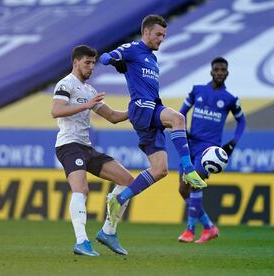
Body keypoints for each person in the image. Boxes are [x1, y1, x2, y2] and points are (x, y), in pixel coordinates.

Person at [99, 15, 206, 226]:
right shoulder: (132, 48)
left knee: (160, 170)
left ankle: (118, 199)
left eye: (164, 36)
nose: (161, 39)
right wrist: (115, 61)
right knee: (177, 118)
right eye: (158, 34)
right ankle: (189, 170)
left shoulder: (152, 58)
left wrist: (123, 66)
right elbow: (104, 57)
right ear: (146, 32)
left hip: (148, 114)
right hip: (142, 107)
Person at [52, 45, 134, 256]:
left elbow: (113, 116)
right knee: (81, 190)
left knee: (127, 180)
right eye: (87, 63)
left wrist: (135, 109)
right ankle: (81, 242)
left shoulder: (90, 91)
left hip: (86, 147)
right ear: (76, 62)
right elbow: (56, 111)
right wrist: (86, 106)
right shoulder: (66, 84)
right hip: (68, 145)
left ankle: (108, 231)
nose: (91, 68)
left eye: (93, 64)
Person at [177, 57, 246, 243]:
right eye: (217, 69)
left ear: (227, 73)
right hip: (190, 145)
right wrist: (181, 128)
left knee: (195, 181)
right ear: (211, 71)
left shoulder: (230, 99)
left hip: (209, 150)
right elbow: (181, 113)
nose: (220, 72)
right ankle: (208, 227)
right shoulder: (197, 90)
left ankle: (190, 230)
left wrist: (233, 142)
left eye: (223, 70)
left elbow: (242, 121)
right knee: (183, 190)